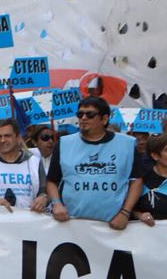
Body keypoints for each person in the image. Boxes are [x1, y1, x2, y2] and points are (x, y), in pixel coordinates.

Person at [38, 96, 141, 227]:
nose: (83, 118)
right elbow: (52, 181)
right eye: (80, 114)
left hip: (113, 225)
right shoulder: (64, 143)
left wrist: (125, 212)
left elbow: (137, 180)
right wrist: (57, 203)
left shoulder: (127, 144)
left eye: (90, 114)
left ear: (104, 119)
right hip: (71, 223)